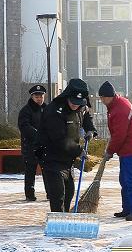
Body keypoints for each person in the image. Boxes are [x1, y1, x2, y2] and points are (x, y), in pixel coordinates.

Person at [35, 78, 96, 213]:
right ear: (67, 96)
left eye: (79, 103)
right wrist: (79, 150)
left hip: (68, 160)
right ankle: (57, 220)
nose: (76, 105)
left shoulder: (81, 106)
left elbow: (86, 115)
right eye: (73, 102)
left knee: (69, 193)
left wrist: (90, 129)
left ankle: (65, 218)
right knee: (58, 195)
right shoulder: (54, 111)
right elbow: (59, 139)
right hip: (51, 157)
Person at [98, 81, 132, 220]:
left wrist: (110, 151)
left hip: (131, 149)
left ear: (109, 96)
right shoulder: (117, 104)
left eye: (103, 98)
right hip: (127, 149)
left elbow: (119, 135)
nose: (102, 101)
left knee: (131, 180)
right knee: (124, 180)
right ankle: (127, 209)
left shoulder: (120, 110)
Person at [17, 84, 48, 202]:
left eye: (41, 96)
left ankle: (51, 193)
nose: (39, 99)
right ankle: (30, 195)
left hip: (44, 147)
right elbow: (24, 127)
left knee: (48, 172)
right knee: (30, 172)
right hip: (30, 147)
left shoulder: (47, 109)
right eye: (37, 97)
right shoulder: (25, 111)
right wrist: (38, 134)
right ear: (32, 97)